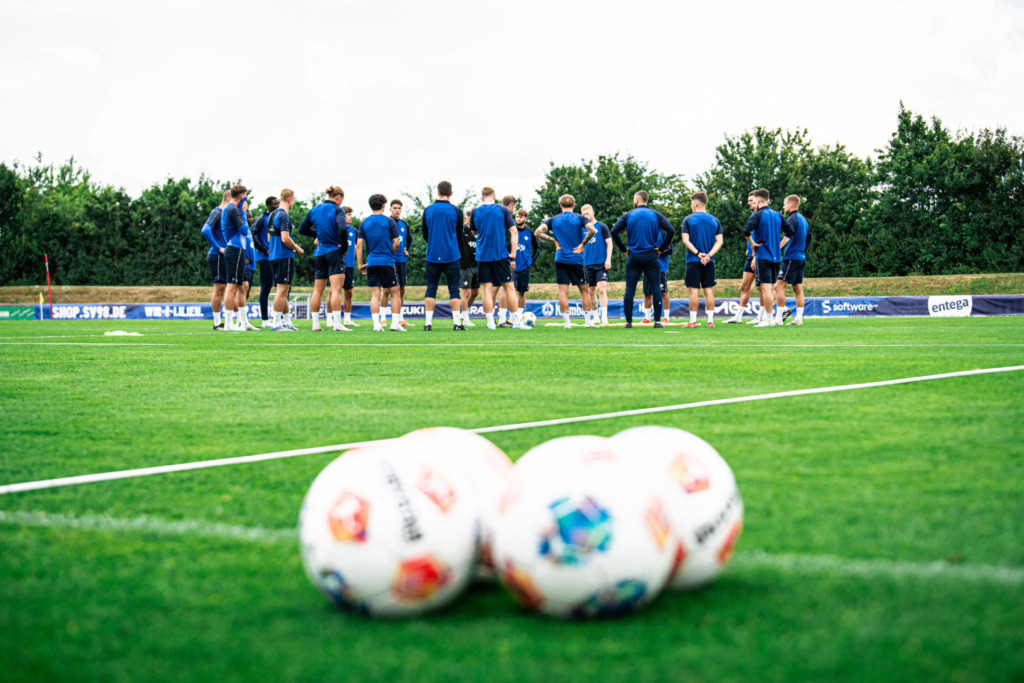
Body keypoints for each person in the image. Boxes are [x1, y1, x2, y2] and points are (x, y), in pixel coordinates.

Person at [610, 191, 675, 328]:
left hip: (634, 256)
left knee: (630, 289)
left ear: (636, 200)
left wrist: (623, 249)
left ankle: (628, 322)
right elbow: (671, 230)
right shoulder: (655, 214)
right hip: (651, 256)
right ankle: (657, 321)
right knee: (656, 288)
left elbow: (614, 231)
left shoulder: (628, 215)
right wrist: (661, 248)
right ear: (646, 200)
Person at [535, 194, 597, 329]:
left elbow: (537, 232)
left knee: (563, 292)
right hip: (577, 260)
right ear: (574, 206)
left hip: (561, 259)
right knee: (585, 291)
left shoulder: (553, 220)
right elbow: (593, 229)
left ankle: (567, 323)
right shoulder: (579, 218)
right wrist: (582, 245)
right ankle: (587, 322)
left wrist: (553, 240)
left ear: (560, 206)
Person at [472, 186, 527, 330]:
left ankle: (490, 323)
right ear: (494, 196)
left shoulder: (475, 211)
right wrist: (513, 253)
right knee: (509, 287)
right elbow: (514, 232)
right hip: (501, 254)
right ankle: (516, 322)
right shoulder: (502, 210)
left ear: (482, 197)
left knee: (486, 289)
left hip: (483, 255)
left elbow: (474, 231)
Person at [299, 186, 349, 332]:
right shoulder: (337, 209)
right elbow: (343, 228)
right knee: (336, 290)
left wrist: (319, 234)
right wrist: (344, 247)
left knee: (317, 290)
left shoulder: (314, 209)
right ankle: (337, 324)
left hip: (320, 252)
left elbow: (302, 229)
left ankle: (315, 324)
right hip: (334, 251)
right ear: (338, 197)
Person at [421, 180, 468, 331]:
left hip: (433, 255)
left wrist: (434, 243)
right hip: (452, 256)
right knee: (454, 290)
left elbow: (425, 234)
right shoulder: (457, 211)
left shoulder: (428, 210)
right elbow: (460, 235)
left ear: (438, 192)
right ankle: (456, 323)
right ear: (451, 193)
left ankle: (428, 324)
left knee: (431, 289)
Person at [356, 194, 403, 332]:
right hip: (387, 261)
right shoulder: (389, 221)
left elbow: (359, 245)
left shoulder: (364, 222)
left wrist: (360, 264)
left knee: (375, 294)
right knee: (395, 293)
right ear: (383, 205)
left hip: (371, 262)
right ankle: (394, 323)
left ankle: (376, 324)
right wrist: (389, 254)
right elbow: (396, 243)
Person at [743, 188, 786, 327]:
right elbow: (790, 232)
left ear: (759, 201)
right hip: (776, 257)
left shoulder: (757, 215)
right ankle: (771, 317)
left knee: (765, 289)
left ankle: (768, 319)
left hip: (763, 256)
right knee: (771, 288)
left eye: (754, 201)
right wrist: (778, 247)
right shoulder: (777, 214)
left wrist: (752, 244)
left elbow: (746, 230)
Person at [680, 192, 724, 328]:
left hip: (693, 260)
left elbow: (685, 239)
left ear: (696, 203)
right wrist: (709, 255)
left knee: (693, 290)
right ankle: (710, 321)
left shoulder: (688, 219)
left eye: (691, 203)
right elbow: (719, 241)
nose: (691, 205)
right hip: (709, 261)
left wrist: (698, 253)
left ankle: (692, 321)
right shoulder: (715, 220)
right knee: (708, 289)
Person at [267, 189, 303, 331]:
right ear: (290, 199)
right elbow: (285, 238)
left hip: (274, 256)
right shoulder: (284, 216)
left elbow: (270, 238)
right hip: (284, 256)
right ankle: (276, 323)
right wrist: (297, 249)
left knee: (283, 289)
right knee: (282, 291)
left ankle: (287, 321)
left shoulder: (272, 215)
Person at [724, 192, 762, 324]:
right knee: (744, 286)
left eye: (751, 200)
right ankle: (738, 316)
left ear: (757, 201)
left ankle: (763, 316)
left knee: (762, 287)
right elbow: (753, 236)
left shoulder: (762, 216)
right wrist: (749, 247)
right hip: (751, 255)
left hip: (759, 256)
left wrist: (756, 256)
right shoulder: (753, 215)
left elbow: (762, 238)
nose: (748, 203)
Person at [775, 194, 809, 326]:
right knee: (797, 288)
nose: (783, 207)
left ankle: (778, 317)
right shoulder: (803, 219)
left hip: (792, 257)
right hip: (800, 257)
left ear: (791, 205)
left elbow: (787, 237)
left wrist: (776, 250)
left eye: (784, 204)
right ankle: (799, 319)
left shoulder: (792, 218)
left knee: (778, 286)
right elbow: (809, 238)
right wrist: (802, 251)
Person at [219, 184, 250, 331]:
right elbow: (244, 230)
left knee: (237, 285)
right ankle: (229, 323)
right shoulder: (232, 208)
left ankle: (237, 321)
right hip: (235, 249)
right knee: (232, 286)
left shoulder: (229, 208)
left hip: (236, 249)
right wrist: (243, 212)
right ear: (243, 196)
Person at [380, 199, 413, 327]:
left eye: (399, 208)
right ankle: (383, 318)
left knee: (402, 289)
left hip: (401, 261)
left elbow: (409, 240)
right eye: (394, 208)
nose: (397, 210)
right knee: (387, 290)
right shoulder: (386, 223)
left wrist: (407, 250)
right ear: (390, 209)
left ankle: (400, 318)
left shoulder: (404, 224)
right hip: (389, 261)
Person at [201, 190, 231, 330]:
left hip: (223, 255)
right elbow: (205, 230)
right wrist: (218, 247)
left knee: (225, 287)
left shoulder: (225, 215)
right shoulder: (217, 212)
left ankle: (224, 321)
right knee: (219, 288)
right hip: (217, 255)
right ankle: (217, 322)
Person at [581, 204, 612, 325]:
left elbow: (609, 244)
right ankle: (595, 317)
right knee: (591, 291)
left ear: (592, 212)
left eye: (587, 213)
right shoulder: (581, 229)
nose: (585, 216)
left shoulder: (602, 226)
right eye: (583, 214)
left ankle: (604, 318)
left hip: (601, 263)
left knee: (601, 289)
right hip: (587, 264)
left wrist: (608, 259)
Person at [251, 196, 277, 328]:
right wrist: (264, 249)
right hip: (264, 257)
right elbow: (252, 232)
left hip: (274, 257)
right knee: (266, 287)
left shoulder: (275, 219)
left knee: (278, 286)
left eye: (278, 202)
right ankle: (265, 320)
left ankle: (280, 318)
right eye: (274, 203)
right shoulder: (262, 219)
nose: (277, 205)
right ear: (268, 205)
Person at [496, 195, 518, 326]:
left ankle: (495, 319)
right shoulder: (506, 216)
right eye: (514, 207)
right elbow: (511, 236)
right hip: (503, 255)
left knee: (491, 288)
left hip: (491, 254)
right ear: (511, 205)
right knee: (506, 286)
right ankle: (506, 319)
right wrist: (512, 256)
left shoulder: (496, 215)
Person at [512, 208, 539, 313]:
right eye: (517, 217)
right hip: (512, 266)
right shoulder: (511, 231)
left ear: (525, 218)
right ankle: (512, 315)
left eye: (521, 217)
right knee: (511, 291)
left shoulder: (530, 233)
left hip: (525, 267)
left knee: (522, 293)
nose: (518, 219)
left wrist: (532, 260)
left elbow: (537, 248)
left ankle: (519, 315)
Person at [458, 209, 478, 328]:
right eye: (470, 219)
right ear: (466, 219)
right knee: (466, 292)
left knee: (475, 292)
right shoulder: (461, 231)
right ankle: (465, 318)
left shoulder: (477, 232)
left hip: (476, 265)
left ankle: (463, 313)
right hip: (465, 265)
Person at [341, 206, 360, 327]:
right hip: (337, 264)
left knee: (349, 292)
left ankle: (347, 319)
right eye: (348, 214)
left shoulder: (354, 231)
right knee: (334, 292)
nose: (350, 216)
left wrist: (359, 262)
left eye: (350, 214)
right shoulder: (335, 229)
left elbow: (358, 246)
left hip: (349, 266)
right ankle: (330, 318)